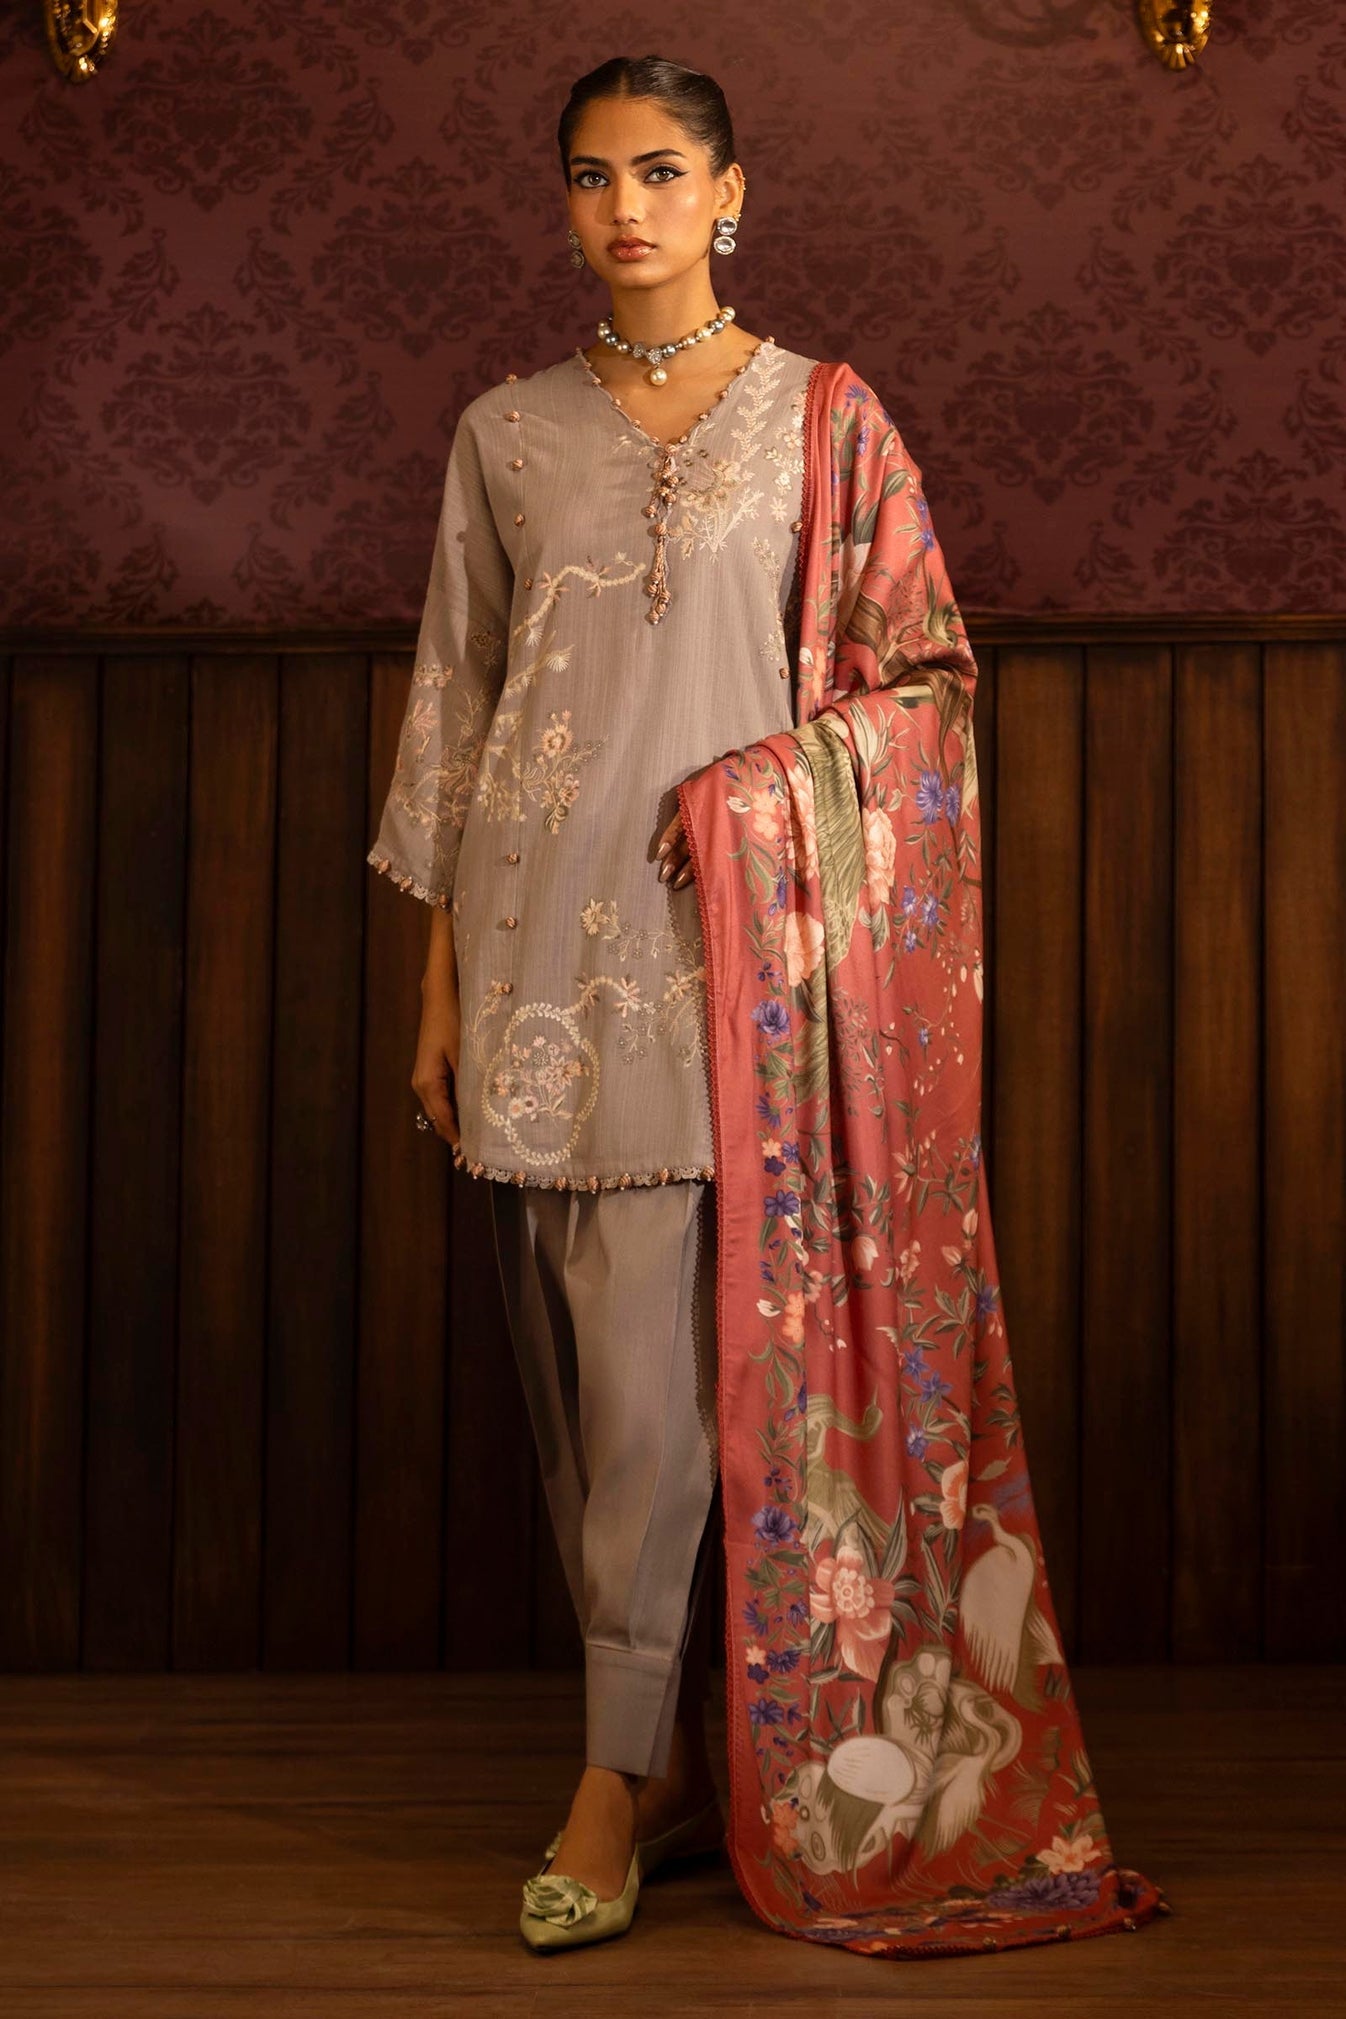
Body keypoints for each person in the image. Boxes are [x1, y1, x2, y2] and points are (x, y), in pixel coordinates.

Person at [369, 52, 1169, 1962]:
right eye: (590, 177)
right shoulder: (505, 433)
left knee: (660, 1406)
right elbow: (458, 714)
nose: (625, 208)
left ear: (732, 192)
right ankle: (663, 1756)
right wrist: (437, 982)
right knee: (587, 1395)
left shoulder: (828, 420)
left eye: (660, 172)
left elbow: (925, 686)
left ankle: (609, 1779)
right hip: (536, 963)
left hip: (749, 981)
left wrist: (748, 802)